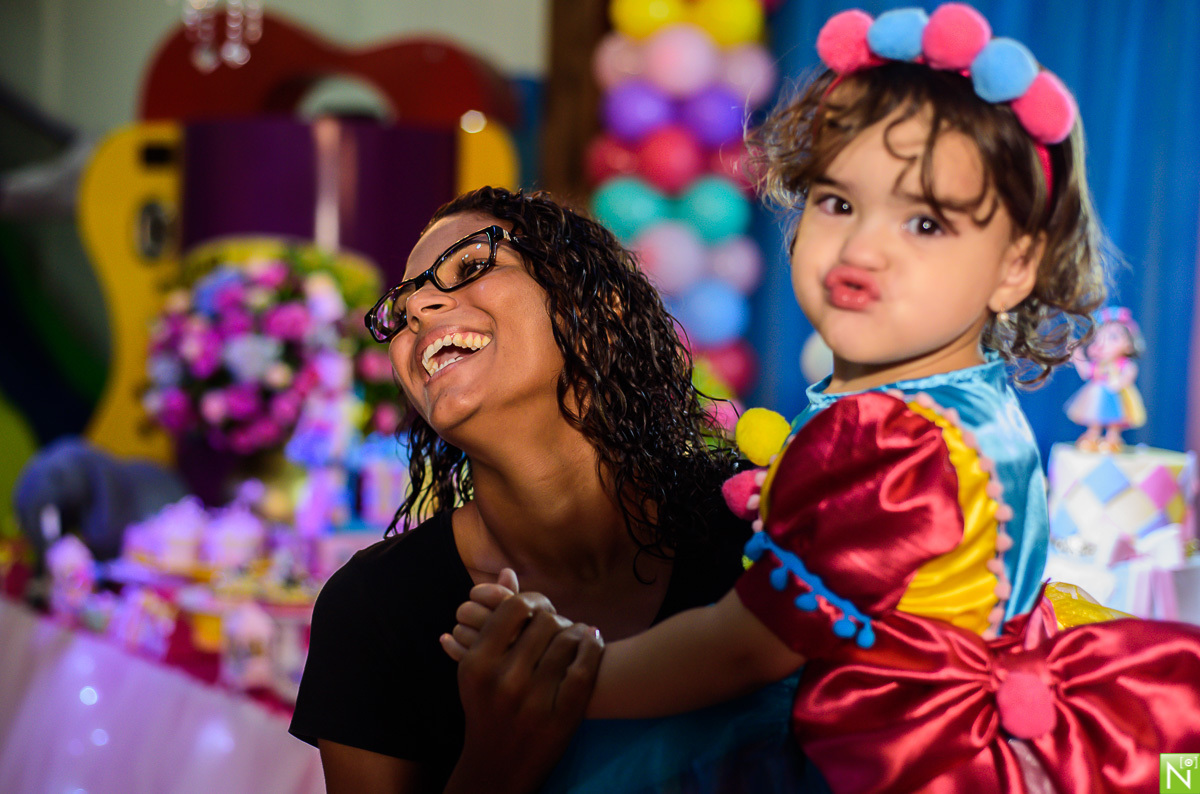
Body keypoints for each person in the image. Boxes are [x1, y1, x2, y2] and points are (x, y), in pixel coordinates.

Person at [450, 6, 1200, 793]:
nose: (864, 245)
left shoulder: (882, 437)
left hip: (902, 759)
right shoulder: (963, 401)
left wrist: (574, 676)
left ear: (1016, 266)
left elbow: (746, 647)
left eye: (924, 221)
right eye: (838, 202)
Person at [289, 186, 768, 793]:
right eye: (401, 309)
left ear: (600, 309)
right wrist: (498, 758)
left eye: (470, 265)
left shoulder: (756, 522)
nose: (418, 311)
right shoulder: (373, 608)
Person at [1065, 305, 1147, 451]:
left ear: (1129, 344)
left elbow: (1127, 377)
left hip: (1116, 396)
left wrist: (1119, 382)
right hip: (1097, 396)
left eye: (1113, 338)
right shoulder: (1098, 366)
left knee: (1115, 417)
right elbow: (1086, 372)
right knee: (1095, 416)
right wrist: (1077, 355)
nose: (1104, 343)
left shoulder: (1124, 365)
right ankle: (1092, 436)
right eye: (1100, 337)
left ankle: (1112, 438)